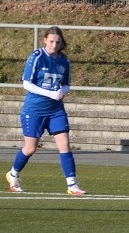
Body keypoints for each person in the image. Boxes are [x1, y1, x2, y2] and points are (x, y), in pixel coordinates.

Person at [5, 26, 86, 195]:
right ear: (44, 40)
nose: (54, 45)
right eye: (51, 41)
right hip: (35, 109)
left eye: (58, 42)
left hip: (56, 110)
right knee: (30, 148)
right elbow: (27, 84)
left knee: (65, 144)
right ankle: (13, 174)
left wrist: (62, 91)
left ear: (62, 43)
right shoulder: (37, 57)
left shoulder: (64, 61)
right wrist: (51, 93)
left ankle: (72, 184)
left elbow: (66, 84)